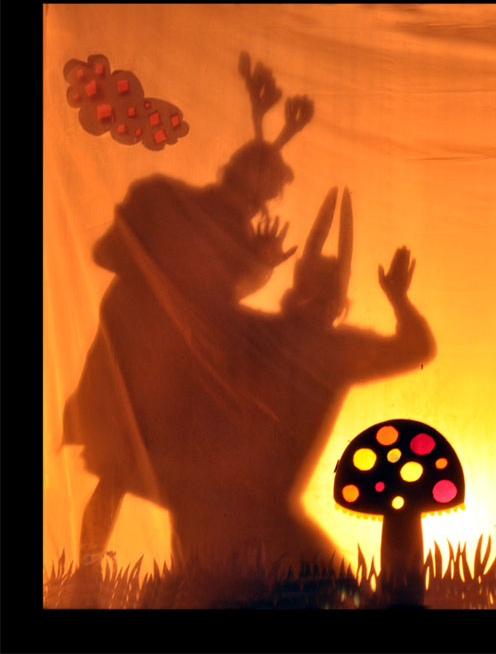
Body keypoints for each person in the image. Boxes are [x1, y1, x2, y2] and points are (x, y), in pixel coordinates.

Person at [62, 59, 311, 573]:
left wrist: (259, 265)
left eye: (268, 195)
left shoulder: (236, 237)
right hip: (137, 362)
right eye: (264, 190)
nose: (264, 204)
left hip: (183, 374)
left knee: (185, 481)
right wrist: (167, 279)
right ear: (240, 177)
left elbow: (223, 305)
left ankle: (188, 581)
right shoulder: (163, 199)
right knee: (120, 472)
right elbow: (110, 253)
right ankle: (87, 575)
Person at [166, 187, 438, 570]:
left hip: (229, 515)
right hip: (230, 515)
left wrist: (254, 268)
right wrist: (398, 300)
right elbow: (198, 314)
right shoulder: (318, 347)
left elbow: (201, 312)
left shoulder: (300, 342)